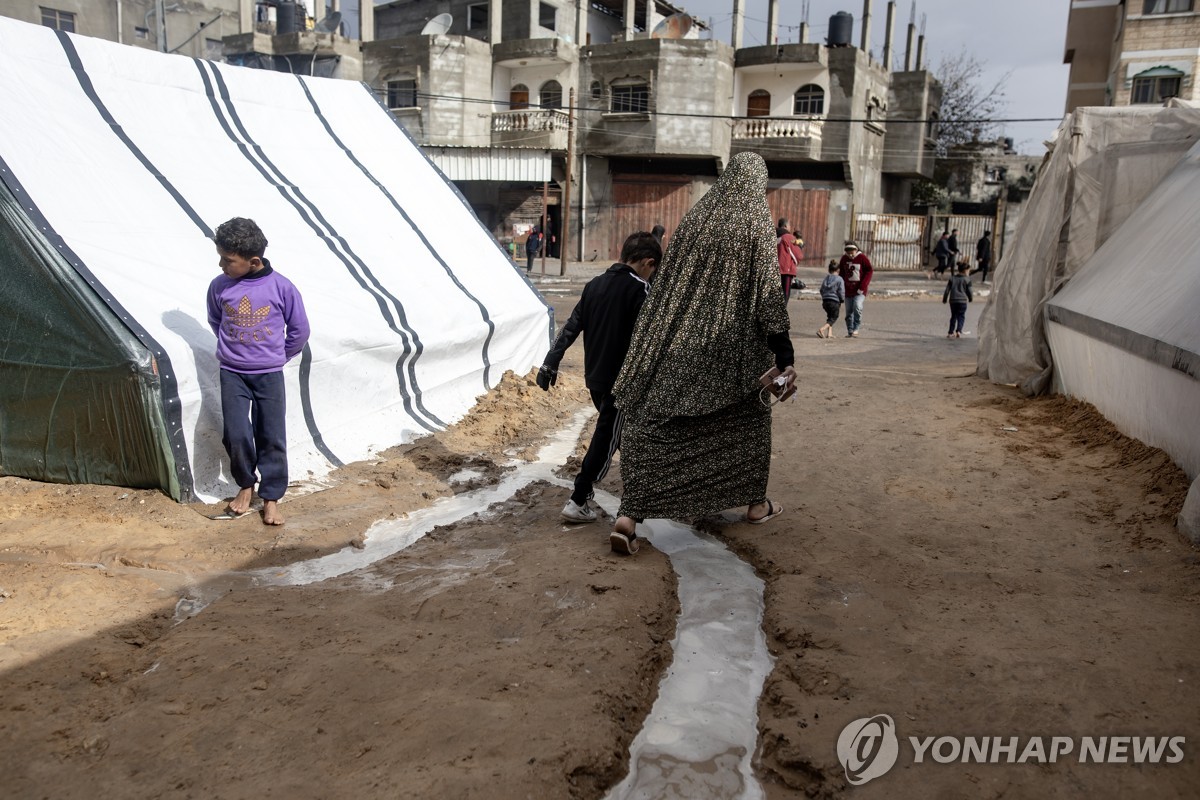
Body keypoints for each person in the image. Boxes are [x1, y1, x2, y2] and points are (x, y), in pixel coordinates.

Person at [608, 152, 797, 556]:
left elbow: (667, 282)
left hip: (676, 343)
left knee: (657, 422)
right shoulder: (755, 224)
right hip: (731, 352)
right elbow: (767, 292)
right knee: (747, 422)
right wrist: (783, 349)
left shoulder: (697, 218)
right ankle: (755, 505)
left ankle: (629, 516)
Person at [536, 231, 661, 523]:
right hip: (623, 385)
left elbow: (570, 327)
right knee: (606, 440)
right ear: (647, 262)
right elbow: (651, 342)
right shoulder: (641, 291)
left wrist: (550, 362)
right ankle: (579, 499)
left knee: (620, 437)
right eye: (653, 269)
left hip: (595, 379)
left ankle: (637, 493)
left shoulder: (594, 285)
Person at [207, 217, 310, 526]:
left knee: (271, 436)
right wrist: (234, 350)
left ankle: (272, 498)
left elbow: (300, 331)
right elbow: (216, 321)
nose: (222, 264)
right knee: (237, 433)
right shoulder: (220, 286)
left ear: (253, 262)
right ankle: (245, 485)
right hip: (232, 373)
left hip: (269, 375)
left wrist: (277, 357)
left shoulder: (281, 287)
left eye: (228, 260)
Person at [837, 241, 873, 337]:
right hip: (848, 290)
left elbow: (869, 271)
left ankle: (856, 327)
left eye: (851, 253)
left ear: (856, 250)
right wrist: (840, 287)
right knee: (849, 311)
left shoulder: (862, 258)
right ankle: (850, 330)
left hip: (860, 290)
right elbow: (841, 273)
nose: (850, 255)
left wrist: (863, 286)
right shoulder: (844, 259)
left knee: (857, 306)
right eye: (848, 253)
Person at [942, 262, 974, 339]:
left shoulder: (952, 278)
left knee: (953, 316)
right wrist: (970, 298)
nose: (969, 272)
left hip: (953, 301)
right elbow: (970, 291)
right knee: (961, 316)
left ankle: (950, 332)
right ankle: (958, 331)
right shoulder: (967, 279)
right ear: (965, 271)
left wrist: (945, 298)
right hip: (962, 301)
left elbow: (947, 290)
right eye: (968, 270)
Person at [776, 218, 803, 301]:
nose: (790, 227)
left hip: (775, 269)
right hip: (786, 270)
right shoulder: (788, 237)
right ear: (785, 226)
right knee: (785, 294)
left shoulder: (774, 236)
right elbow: (798, 255)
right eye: (789, 225)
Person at [817, 259, 845, 339]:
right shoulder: (840, 279)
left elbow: (821, 289)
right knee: (834, 317)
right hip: (834, 301)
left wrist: (824, 297)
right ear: (838, 270)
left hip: (825, 302)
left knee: (830, 317)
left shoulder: (826, 278)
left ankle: (829, 334)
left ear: (829, 270)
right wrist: (841, 299)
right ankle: (822, 329)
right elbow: (841, 291)